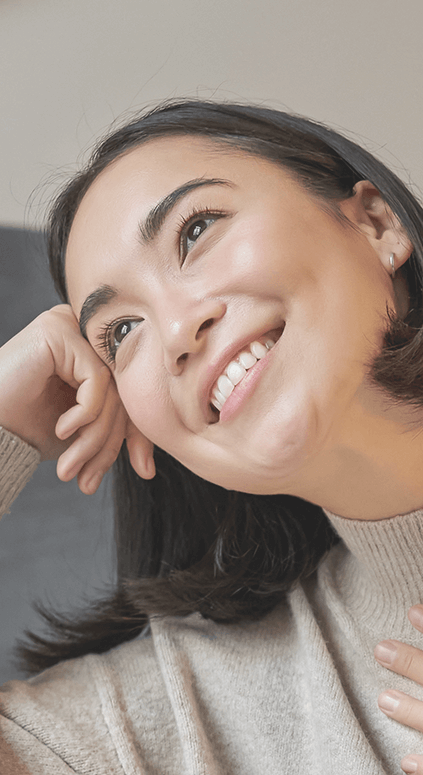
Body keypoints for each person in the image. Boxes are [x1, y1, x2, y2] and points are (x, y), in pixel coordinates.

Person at [2, 100, 423, 773]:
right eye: (122, 332)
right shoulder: (172, 715)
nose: (175, 331)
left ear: (375, 223)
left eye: (195, 230)